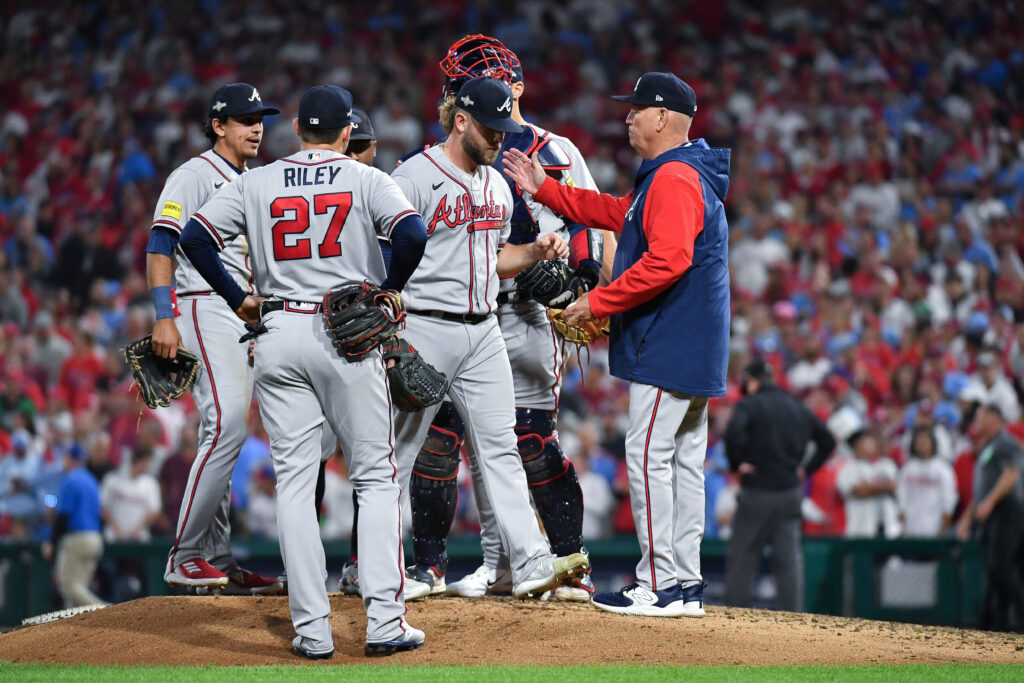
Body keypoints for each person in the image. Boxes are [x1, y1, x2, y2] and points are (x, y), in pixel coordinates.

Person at [179, 84, 429, 658]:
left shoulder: (254, 179)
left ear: (296, 127)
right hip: (347, 330)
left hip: (276, 330)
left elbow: (193, 237)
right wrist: (388, 289)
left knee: (294, 484)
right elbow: (412, 234)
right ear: (347, 132)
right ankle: (385, 622)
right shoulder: (366, 177)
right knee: (375, 477)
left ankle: (312, 632)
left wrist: (237, 297)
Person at [504, 71, 731, 617]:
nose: (627, 116)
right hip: (693, 343)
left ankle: (659, 583)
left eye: (636, 109)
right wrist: (549, 190)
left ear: (661, 118)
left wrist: (599, 302)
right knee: (682, 462)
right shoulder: (677, 173)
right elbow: (619, 213)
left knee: (650, 456)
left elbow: (667, 260)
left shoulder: (675, 178)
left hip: (669, 341)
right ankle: (686, 584)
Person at [400, 34, 609, 602]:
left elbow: (591, 225)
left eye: (475, 76)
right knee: (446, 441)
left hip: (529, 317)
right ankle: (465, 566)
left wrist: (584, 286)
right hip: (459, 313)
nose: (460, 85)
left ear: (513, 86)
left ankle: (566, 564)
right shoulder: (455, 163)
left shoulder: (557, 152)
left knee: (527, 441)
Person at [145, 83, 283, 596]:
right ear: (218, 125)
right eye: (245, 118)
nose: (256, 126)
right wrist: (165, 316)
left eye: (260, 117)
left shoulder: (252, 178)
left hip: (242, 312)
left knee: (225, 434)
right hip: (202, 302)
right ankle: (184, 555)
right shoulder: (194, 174)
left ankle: (217, 560)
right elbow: (161, 244)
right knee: (224, 425)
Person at [722, 359, 835, 611]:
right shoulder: (797, 406)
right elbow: (827, 440)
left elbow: (733, 434)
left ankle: (732, 619)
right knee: (789, 562)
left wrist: (737, 463)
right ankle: (792, 622)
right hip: (790, 492)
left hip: (758, 490)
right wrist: (807, 468)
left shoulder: (749, 404)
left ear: (752, 381)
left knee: (742, 559)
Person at [955, 403, 1024, 631]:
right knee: (993, 573)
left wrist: (990, 502)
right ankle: (997, 627)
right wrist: (967, 519)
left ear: (995, 417)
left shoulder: (1005, 442)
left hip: (1006, 510)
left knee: (999, 568)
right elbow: (981, 489)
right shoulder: (988, 446)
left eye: (980, 417)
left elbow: (1011, 475)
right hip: (992, 514)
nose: (976, 422)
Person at [45, 444, 104, 608]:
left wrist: (51, 541)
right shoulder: (92, 480)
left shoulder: (71, 480)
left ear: (71, 459)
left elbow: (63, 516)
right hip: (95, 538)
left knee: (68, 585)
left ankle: (105, 610)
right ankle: (76, 632)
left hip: (77, 538)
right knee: (77, 590)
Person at [836, 428, 901, 538]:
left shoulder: (885, 464)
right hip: (860, 529)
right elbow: (860, 491)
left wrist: (871, 487)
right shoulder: (848, 468)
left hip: (888, 527)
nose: (873, 444)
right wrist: (882, 486)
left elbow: (894, 486)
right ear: (856, 446)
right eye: (867, 441)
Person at [897, 426, 958, 537]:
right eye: (919, 441)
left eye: (925, 440)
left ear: (933, 443)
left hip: (935, 528)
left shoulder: (943, 468)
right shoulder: (907, 468)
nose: (922, 444)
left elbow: (949, 500)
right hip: (910, 529)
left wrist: (943, 527)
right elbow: (901, 498)